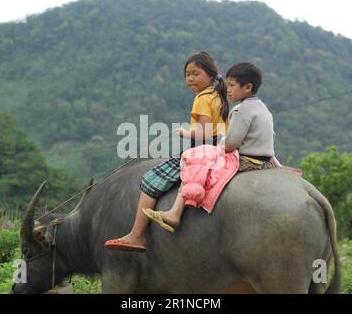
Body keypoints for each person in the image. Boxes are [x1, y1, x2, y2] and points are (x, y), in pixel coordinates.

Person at [105, 51, 229, 252]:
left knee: (151, 180)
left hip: (201, 150)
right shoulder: (219, 96)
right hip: (220, 150)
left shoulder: (202, 98)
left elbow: (204, 130)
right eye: (187, 74)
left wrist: (184, 132)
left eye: (195, 73)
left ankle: (136, 235)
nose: (190, 78)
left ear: (210, 75)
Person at [144, 61, 277, 232]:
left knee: (197, 165)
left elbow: (231, 143)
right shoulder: (263, 108)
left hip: (247, 160)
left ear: (247, 87)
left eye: (232, 85)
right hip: (265, 160)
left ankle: (175, 213)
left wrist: (219, 145)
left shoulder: (241, 110)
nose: (228, 89)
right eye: (228, 85)